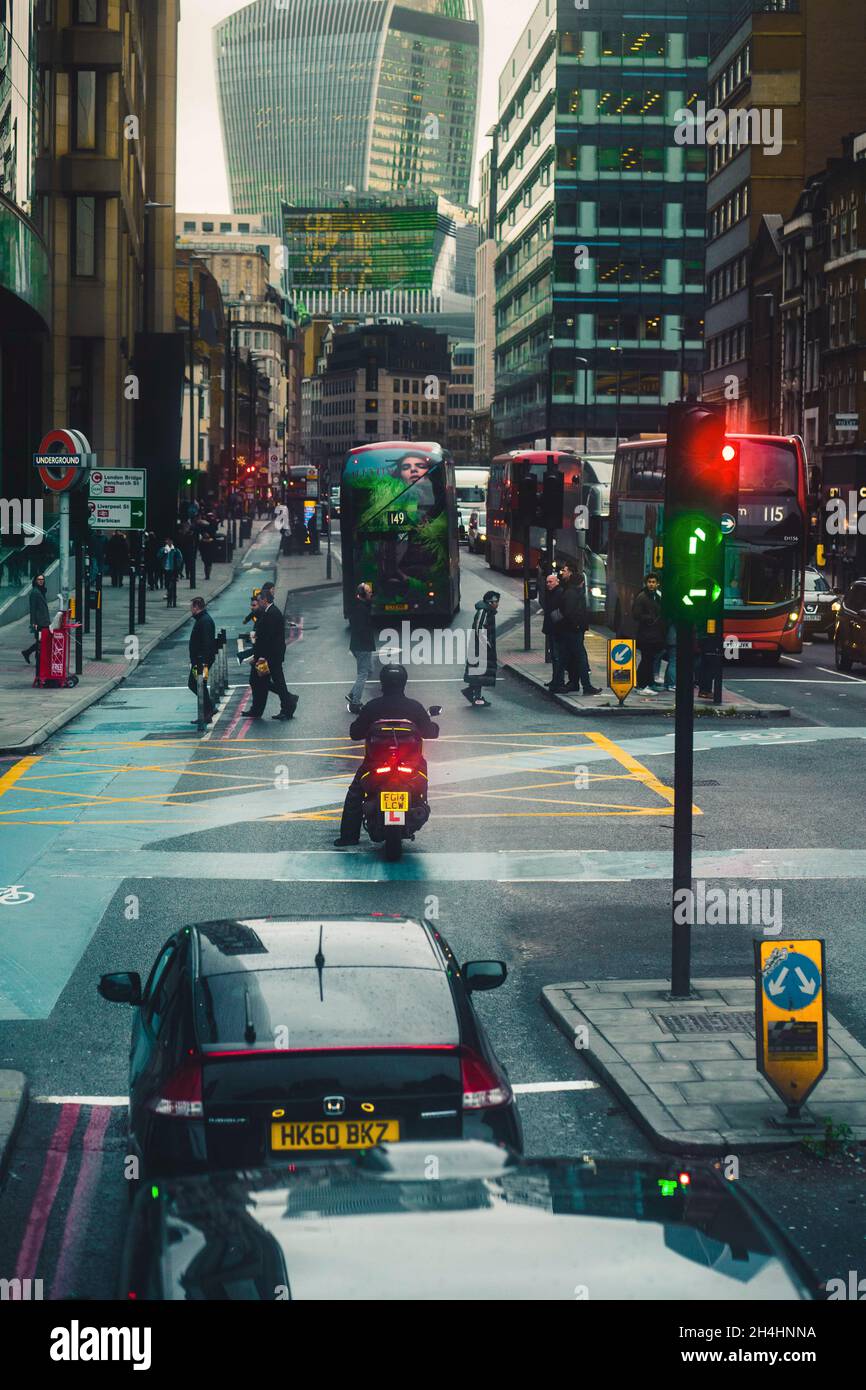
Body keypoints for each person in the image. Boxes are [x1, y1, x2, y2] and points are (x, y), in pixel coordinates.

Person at [333, 664, 439, 847]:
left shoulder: (372, 707)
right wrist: (433, 725)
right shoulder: (414, 707)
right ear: (404, 682)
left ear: (382, 683)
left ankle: (349, 837)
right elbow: (430, 732)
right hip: (410, 767)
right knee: (423, 773)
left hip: (376, 766)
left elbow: (355, 733)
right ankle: (421, 801)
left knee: (355, 794)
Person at [242, 590, 298, 721]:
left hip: (272, 656)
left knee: (278, 682)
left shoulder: (272, 613)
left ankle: (288, 706)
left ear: (265, 600)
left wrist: (261, 657)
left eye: (260, 600)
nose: (259, 602)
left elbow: (269, 638)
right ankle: (258, 709)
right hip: (267, 655)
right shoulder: (268, 612)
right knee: (259, 681)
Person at [557, 563, 601, 695]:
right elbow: (570, 613)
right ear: (580, 583)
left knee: (568, 658)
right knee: (581, 659)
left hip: (570, 631)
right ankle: (586, 686)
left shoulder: (570, 592)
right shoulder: (573, 594)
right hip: (573, 632)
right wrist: (577, 625)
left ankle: (570, 683)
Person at [462, 590, 500, 707]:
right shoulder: (484, 611)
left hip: (481, 647)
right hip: (480, 649)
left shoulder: (487, 611)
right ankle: (477, 697)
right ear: (490, 602)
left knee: (479, 672)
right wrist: (487, 644)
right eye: (495, 601)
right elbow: (479, 628)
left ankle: (471, 692)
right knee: (480, 672)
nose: (497, 604)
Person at [632, 572, 666, 694]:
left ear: (657, 584)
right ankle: (641, 685)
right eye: (649, 582)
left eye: (653, 582)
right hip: (646, 634)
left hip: (655, 634)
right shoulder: (642, 597)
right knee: (646, 660)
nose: (651, 584)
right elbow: (636, 614)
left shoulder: (656, 596)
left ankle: (649, 683)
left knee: (650, 660)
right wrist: (649, 618)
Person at [347, 582, 377, 714]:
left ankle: (353, 694)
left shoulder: (361, 605)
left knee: (369, 671)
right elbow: (361, 629)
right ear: (363, 595)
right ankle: (355, 702)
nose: (371, 594)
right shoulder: (360, 609)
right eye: (369, 592)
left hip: (362, 645)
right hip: (362, 646)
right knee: (363, 673)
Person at [188, 597, 217, 725]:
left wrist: (203, 662)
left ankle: (209, 708)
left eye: (191, 607)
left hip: (201, 662)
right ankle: (206, 714)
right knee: (200, 685)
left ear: (196, 607)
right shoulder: (202, 619)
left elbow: (207, 643)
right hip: (200, 661)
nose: (191, 610)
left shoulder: (204, 621)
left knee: (195, 684)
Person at [541, 570, 567, 692]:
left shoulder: (559, 593)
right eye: (547, 582)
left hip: (557, 630)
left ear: (557, 582)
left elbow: (560, 610)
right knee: (554, 656)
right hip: (552, 629)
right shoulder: (550, 593)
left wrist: (554, 620)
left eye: (550, 582)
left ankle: (559, 681)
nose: (548, 584)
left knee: (557, 656)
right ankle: (555, 680)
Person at [22, 573, 50, 675]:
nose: (41, 581)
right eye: (39, 579)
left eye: (42, 579)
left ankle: (27, 652)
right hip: (39, 623)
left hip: (44, 621)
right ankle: (37, 661)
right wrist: (33, 623)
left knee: (41, 642)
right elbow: (32, 609)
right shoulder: (34, 593)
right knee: (40, 643)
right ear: (35, 581)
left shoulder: (41, 591)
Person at [160, 537, 183, 607]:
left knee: (172, 582)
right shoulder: (163, 549)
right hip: (166, 568)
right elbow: (158, 556)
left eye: (169, 540)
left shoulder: (175, 550)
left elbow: (180, 558)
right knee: (166, 583)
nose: (167, 542)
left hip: (173, 569)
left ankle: (172, 594)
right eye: (166, 540)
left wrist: (178, 566)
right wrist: (163, 551)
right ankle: (169, 592)